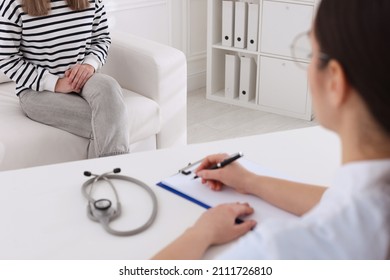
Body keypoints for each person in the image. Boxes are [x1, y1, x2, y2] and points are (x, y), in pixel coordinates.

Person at [153, 0, 390, 259]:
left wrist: (201, 232)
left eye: (311, 53)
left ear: (335, 81)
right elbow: (343, 203)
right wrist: (249, 181)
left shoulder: (279, 250)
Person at [0, 0, 130, 158]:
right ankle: (113, 175)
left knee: (108, 87)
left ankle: (108, 175)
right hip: (37, 91)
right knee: (111, 117)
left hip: (83, 80)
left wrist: (89, 65)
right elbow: (7, 59)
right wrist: (56, 84)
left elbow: (101, 39)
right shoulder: (13, 4)